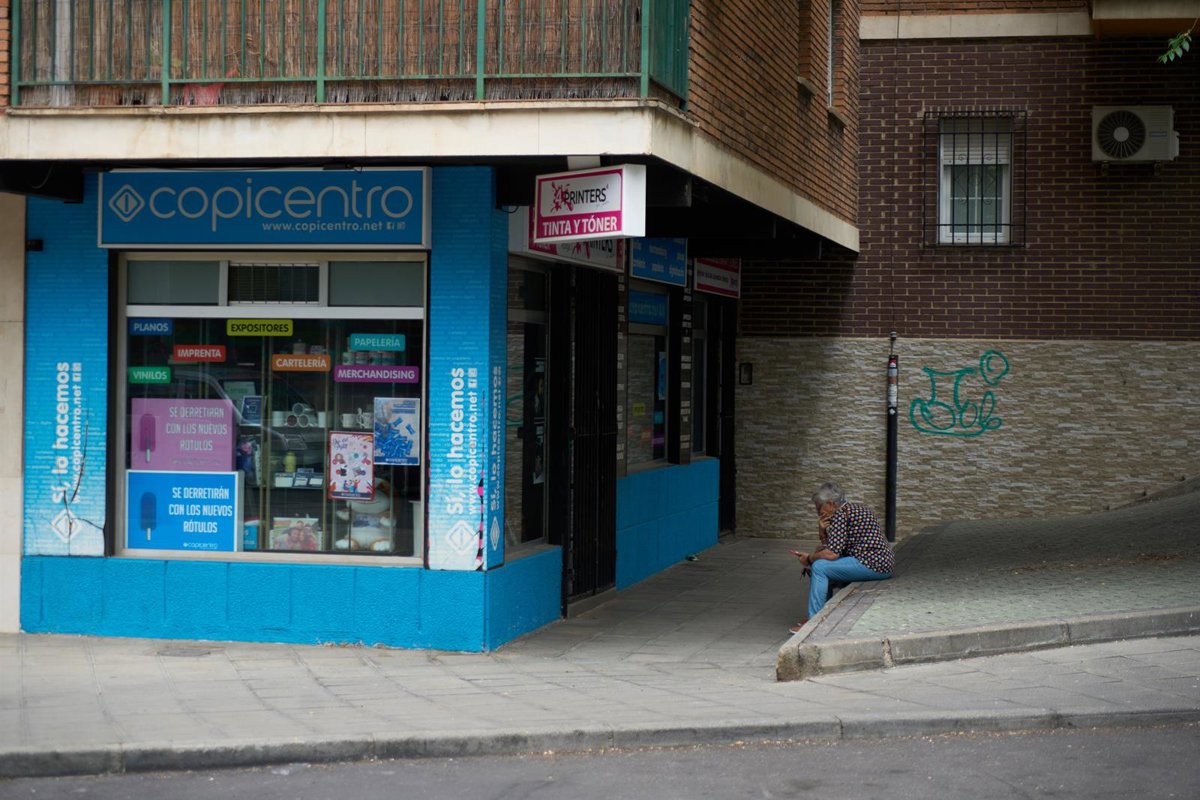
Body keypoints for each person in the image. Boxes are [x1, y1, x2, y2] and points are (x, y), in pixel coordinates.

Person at [789, 480, 894, 633]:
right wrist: (822, 531)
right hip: (880, 563)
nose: (818, 513)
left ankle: (813, 622)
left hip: (872, 564)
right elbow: (830, 547)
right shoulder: (852, 508)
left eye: (819, 508)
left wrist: (809, 558)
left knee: (819, 567)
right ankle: (822, 615)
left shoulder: (840, 514)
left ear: (830, 503)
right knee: (821, 562)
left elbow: (831, 554)